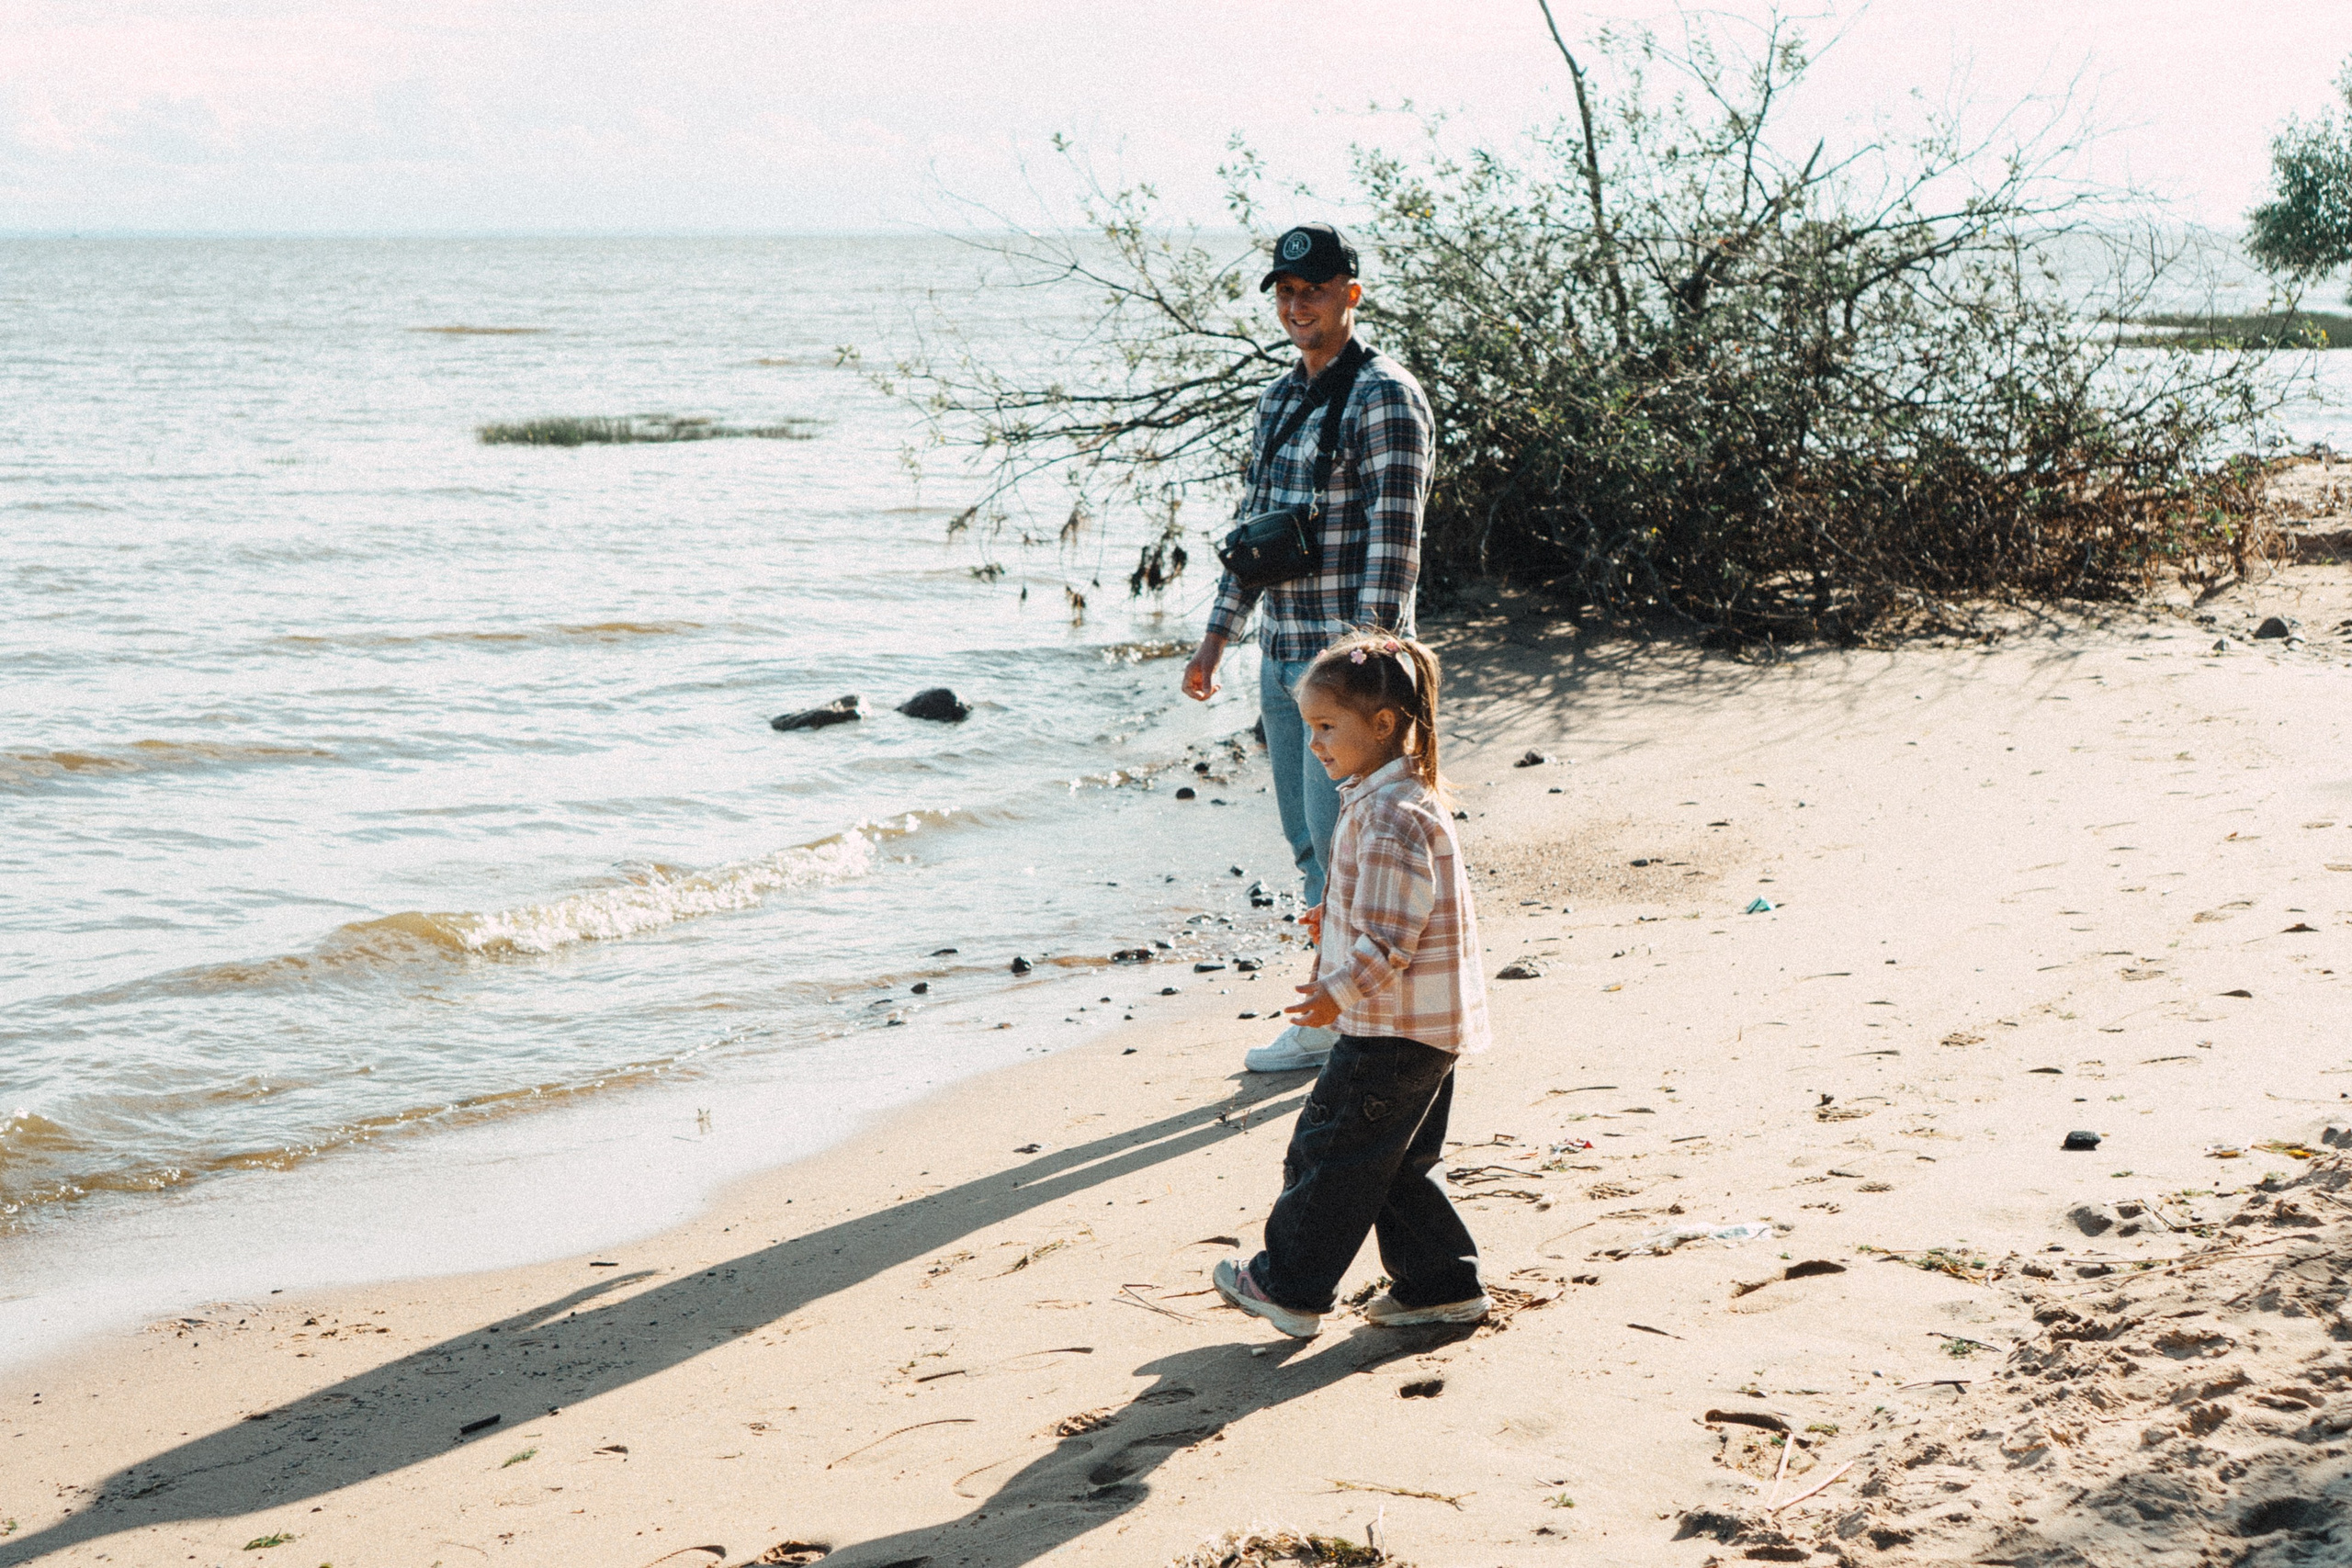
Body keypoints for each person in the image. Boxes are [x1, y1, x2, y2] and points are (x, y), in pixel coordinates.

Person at [1181, 221, 1435, 1075]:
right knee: (1308, 846)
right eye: (1286, 293)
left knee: (1349, 850)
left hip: (1347, 673)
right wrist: (1216, 640)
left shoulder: (1386, 398)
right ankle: (1342, 1010)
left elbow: (1394, 549)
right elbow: (1251, 535)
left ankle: (1340, 1020)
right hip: (1280, 654)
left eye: (1315, 291)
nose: (1298, 307)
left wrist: (1363, 673)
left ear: (1350, 295)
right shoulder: (1277, 401)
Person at [1210, 629, 1491, 1338]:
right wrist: (1331, 911)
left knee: (1329, 1153)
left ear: (1384, 723)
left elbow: (1390, 940)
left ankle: (1290, 1286)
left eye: (1327, 727)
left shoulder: (1390, 815)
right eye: (1309, 727)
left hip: (1389, 1030)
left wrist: (1337, 990)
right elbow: (1395, 906)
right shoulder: (1395, 796)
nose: (1313, 744)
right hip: (1428, 1027)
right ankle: (1438, 1284)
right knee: (1395, 1164)